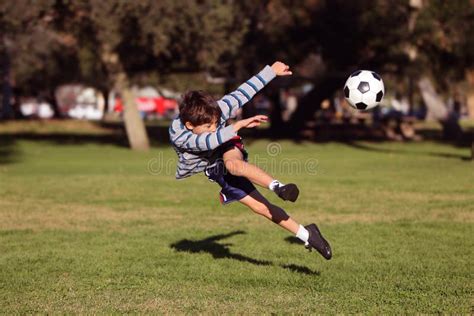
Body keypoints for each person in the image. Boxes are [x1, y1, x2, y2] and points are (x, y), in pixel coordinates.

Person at [169, 62, 332, 260]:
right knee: (260, 207)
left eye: (215, 122)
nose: (213, 127)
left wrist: (271, 72)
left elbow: (243, 92)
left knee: (233, 165)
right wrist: (236, 126)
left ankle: (279, 187)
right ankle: (308, 234)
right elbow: (205, 141)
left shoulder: (217, 109)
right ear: (189, 124)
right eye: (207, 125)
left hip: (227, 146)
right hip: (213, 165)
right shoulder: (178, 134)